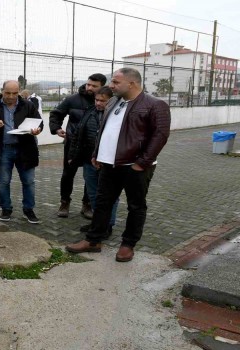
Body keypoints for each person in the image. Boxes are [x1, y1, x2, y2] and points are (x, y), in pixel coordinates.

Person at [65, 68, 171, 262]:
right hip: (109, 164)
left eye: (115, 82)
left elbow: (160, 136)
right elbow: (104, 130)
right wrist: (98, 153)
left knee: (136, 206)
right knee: (103, 202)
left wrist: (142, 163)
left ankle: (128, 244)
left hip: (135, 166)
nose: (111, 85)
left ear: (132, 83)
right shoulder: (114, 101)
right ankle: (94, 240)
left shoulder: (155, 105)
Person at [0, 80, 43, 223]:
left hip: (25, 149)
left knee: (29, 182)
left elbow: (39, 123)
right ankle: (6, 209)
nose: (11, 96)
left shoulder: (28, 105)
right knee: (3, 182)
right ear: (2, 91)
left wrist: (37, 130)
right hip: (3, 150)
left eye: (14, 93)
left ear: (19, 91)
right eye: (8, 93)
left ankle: (28, 210)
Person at [49, 73, 107, 219]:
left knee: (91, 176)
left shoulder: (105, 101)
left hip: (93, 146)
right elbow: (56, 114)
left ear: (102, 87)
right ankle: (64, 203)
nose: (89, 87)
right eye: (88, 84)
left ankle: (87, 204)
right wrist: (57, 128)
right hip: (73, 144)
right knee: (68, 175)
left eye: (94, 86)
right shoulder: (72, 99)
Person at [67, 86, 119, 234]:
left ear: (111, 101)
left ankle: (107, 225)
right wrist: (72, 156)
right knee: (93, 194)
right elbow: (78, 134)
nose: (98, 103)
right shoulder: (90, 112)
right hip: (88, 161)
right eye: (97, 99)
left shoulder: (116, 115)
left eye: (103, 101)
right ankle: (98, 223)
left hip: (109, 163)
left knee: (110, 196)